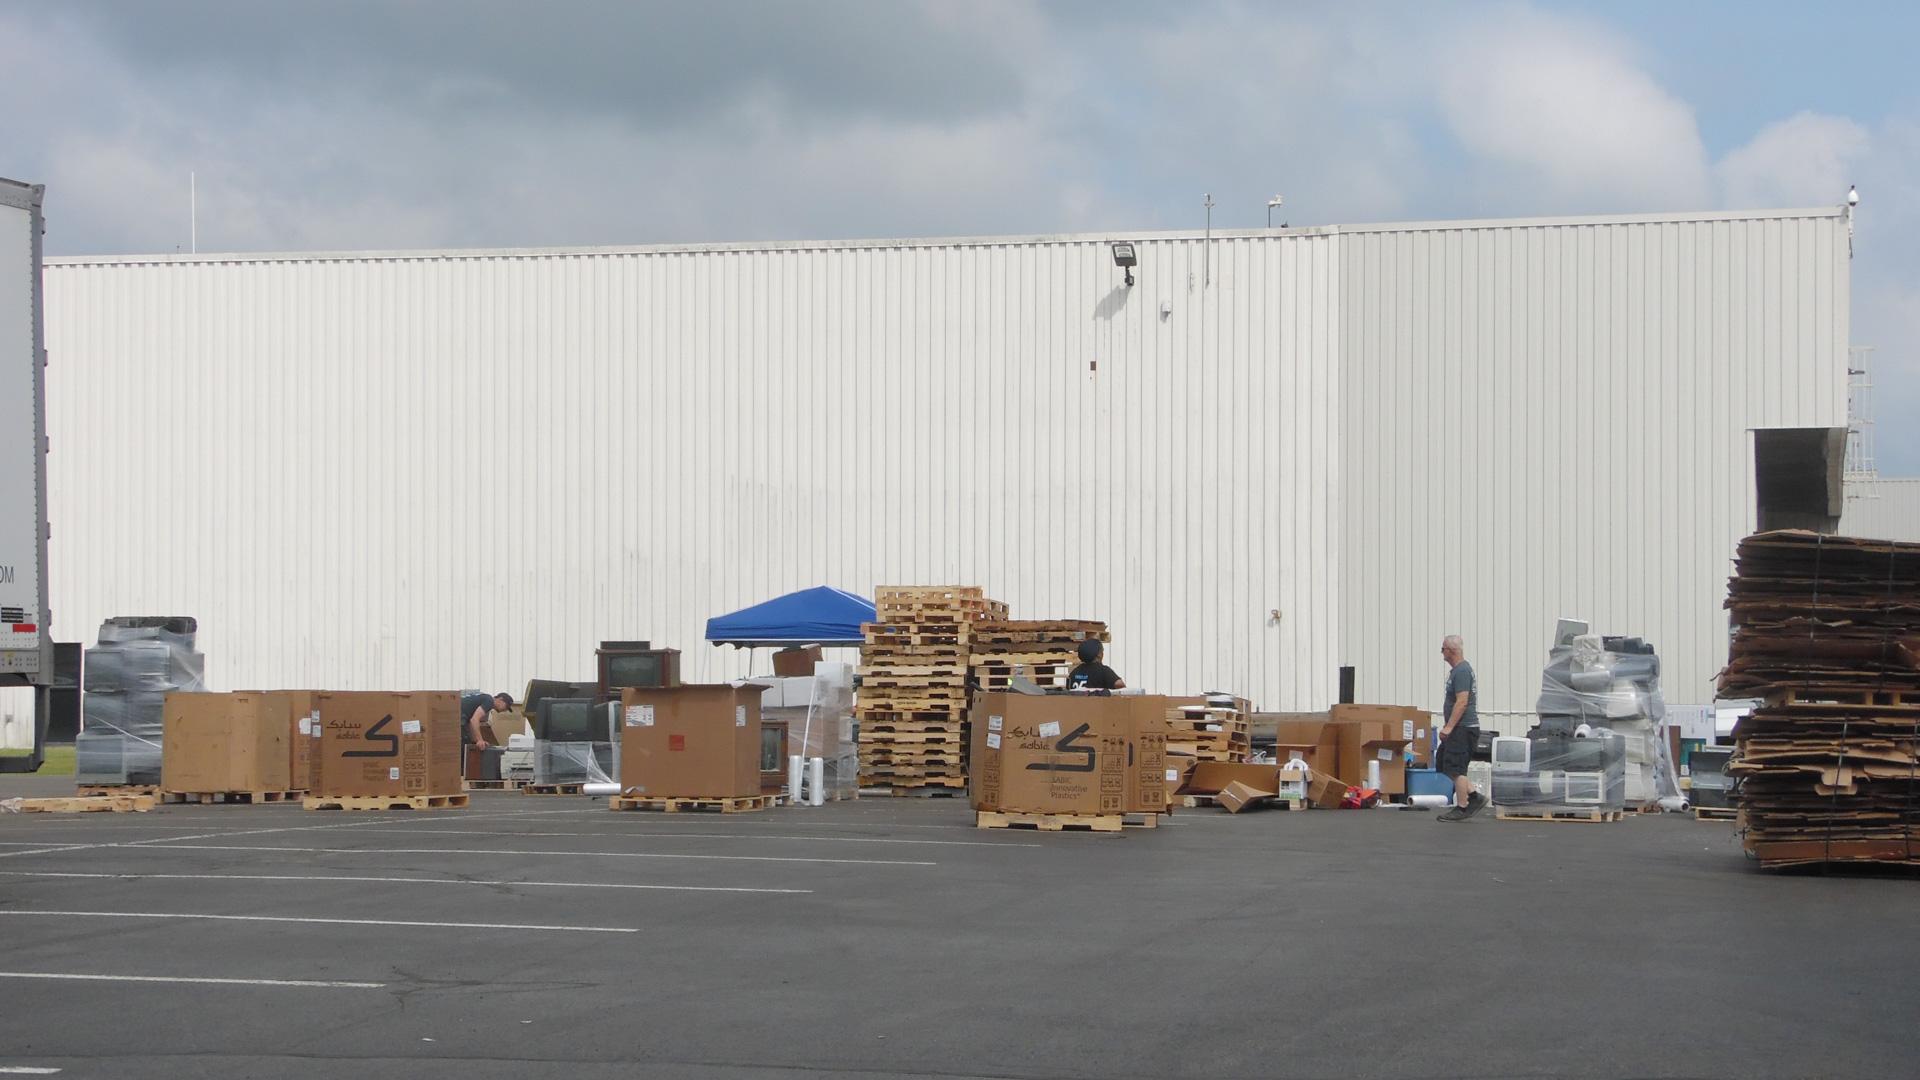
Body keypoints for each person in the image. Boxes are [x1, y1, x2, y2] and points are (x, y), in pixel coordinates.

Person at [1435, 635, 1486, 821]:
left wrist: (1448, 728)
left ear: (1451, 650)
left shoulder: (1462, 671)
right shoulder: (1457, 671)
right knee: (1444, 763)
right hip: (1457, 729)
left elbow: (1462, 701)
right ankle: (1474, 796)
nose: (1442, 653)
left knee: (1457, 768)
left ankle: (1462, 807)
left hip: (1463, 729)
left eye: (1443, 649)